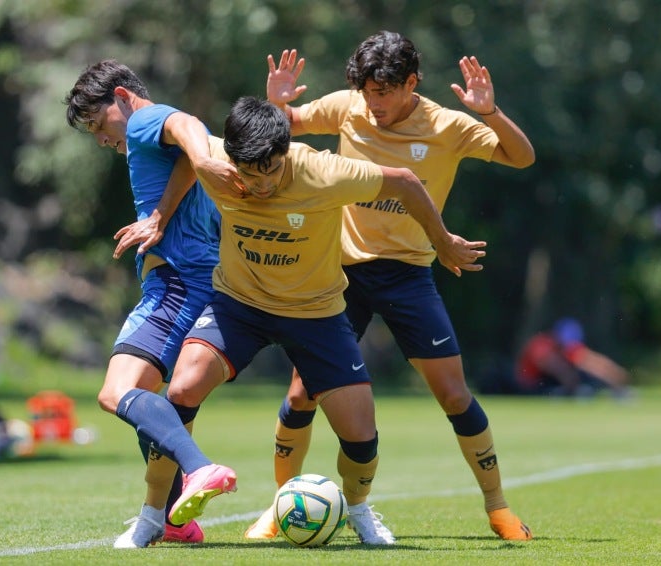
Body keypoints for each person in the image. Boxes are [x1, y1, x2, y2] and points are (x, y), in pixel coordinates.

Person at [244, 31, 536, 541]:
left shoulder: (446, 125)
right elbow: (277, 131)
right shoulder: (347, 107)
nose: (373, 103)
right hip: (340, 275)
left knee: (453, 394)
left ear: (411, 83)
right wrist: (277, 103)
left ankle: (498, 507)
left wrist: (489, 112)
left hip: (408, 274)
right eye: (367, 92)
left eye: (384, 92)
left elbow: (521, 156)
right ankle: (278, 506)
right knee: (301, 391)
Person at [156, 95, 485, 545]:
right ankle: (162, 514)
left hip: (316, 313)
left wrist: (442, 241)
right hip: (240, 304)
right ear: (232, 159)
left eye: (271, 169)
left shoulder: (324, 172)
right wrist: (171, 198)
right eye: (250, 174)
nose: (262, 183)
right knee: (180, 388)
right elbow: (179, 125)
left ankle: (360, 508)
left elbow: (406, 182)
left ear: (286, 153)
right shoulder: (217, 161)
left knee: (360, 435)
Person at [64, 59, 239, 548]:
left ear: (121, 96)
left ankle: (200, 470)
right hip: (196, 281)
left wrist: (201, 162)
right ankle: (168, 517)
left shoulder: (143, 120)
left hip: (177, 285)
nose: (101, 139)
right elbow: (186, 150)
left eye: (100, 125)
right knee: (151, 404)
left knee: (115, 391)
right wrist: (166, 208)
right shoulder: (154, 139)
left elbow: (187, 127)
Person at [516, 318, 631, 397]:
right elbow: (556, 368)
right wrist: (574, 388)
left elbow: (591, 361)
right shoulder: (541, 345)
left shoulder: (568, 347)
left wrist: (615, 376)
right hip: (531, 387)